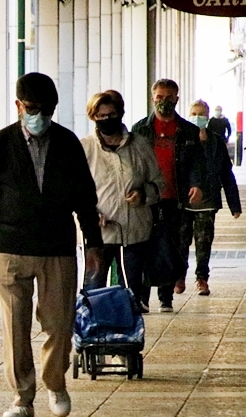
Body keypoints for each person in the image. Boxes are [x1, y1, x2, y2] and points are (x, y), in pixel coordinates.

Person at [0, 72, 102, 417]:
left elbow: (85, 198)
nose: (40, 116)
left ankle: (55, 382)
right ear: (19, 106)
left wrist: (93, 243)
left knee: (59, 323)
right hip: (9, 247)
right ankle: (22, 397)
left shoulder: (68, 143)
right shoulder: (0, 143)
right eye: (34, 108)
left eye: (48, 110)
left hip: (56, 247)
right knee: (15, 326)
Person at [80, 90, 163, 311]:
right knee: (93, 287)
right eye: (101, 116)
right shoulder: (85, 148)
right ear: (93, 117)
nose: (107, 120)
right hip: (99, 233)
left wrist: (144, 194)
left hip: (134, 231)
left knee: (130, 292)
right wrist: (90, 215)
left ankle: (126, 336)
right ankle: (94, 333)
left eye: (112, 114)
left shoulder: (140, 145)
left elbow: (158, 182)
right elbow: (73, 191)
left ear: (121, 114)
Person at [131, 78, 205, 312]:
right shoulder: (140, 130)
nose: (164, 102)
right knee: (143, 246)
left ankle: (166, 297)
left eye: (169, 97)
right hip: (146, 198)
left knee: (171, 247)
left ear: (177, 98)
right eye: (159, 97)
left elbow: (196, 163)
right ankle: (142, 297)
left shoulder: (189, 131)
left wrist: (196, 184)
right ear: (152, 99)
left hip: (175, 198)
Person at [183, 99, 242, 296]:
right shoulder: (181, 138)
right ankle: (179, 274)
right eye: (194, 113)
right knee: (181, 241)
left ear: (207, 118)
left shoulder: (216, 141)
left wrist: (235, 205)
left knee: (203, 241)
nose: (197, 117)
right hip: (184, 201)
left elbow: (226, 173)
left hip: (208, 201)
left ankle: (201, 278)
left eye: (201, 114)